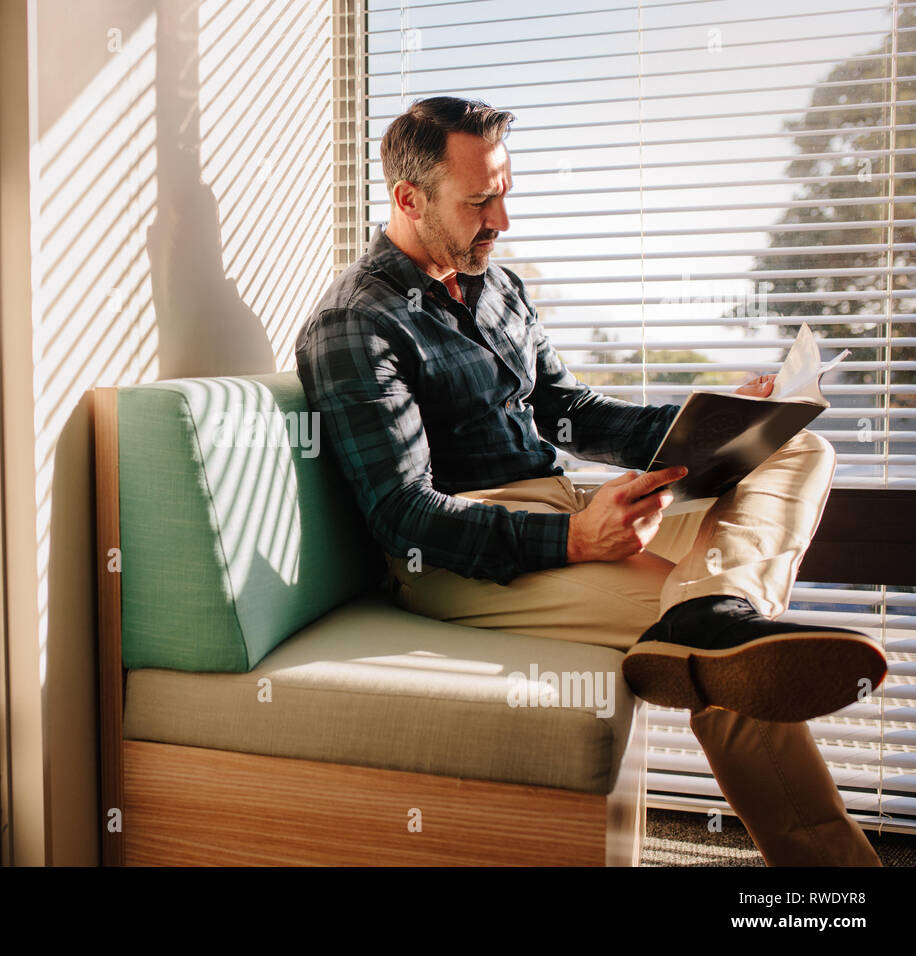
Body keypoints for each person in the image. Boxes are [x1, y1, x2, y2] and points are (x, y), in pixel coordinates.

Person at [294, 95, 888, 866]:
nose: (502, 220)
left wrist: (711, 422)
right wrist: (571, 538)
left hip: (562, 498)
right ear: (408, 199)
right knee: (730, 665)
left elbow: (568, 410)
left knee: (797, 451)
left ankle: (715, 608)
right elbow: (403, 516)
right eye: (480, 201)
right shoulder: (356, 323)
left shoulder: (497, 287)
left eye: (504, 191)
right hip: (460, 557)